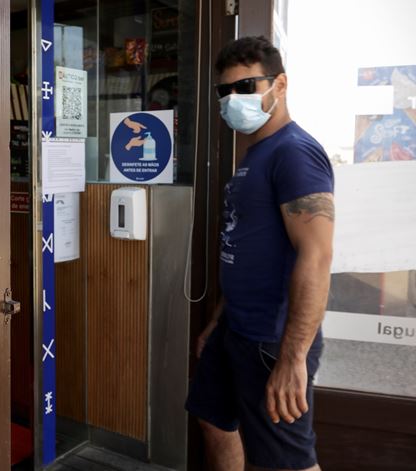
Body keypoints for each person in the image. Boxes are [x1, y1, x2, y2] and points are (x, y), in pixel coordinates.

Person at [185, 36, 335, 471]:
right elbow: (248, 247)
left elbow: (317, 256)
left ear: (280, 85)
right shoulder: (257, 154)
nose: (234, 99)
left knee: (285, 461)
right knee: (212, 418)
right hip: (235, 327)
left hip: (272, 340)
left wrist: (292, 358)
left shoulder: (295, 153)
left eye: (246, 87)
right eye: (225, 90)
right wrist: (218, 319)